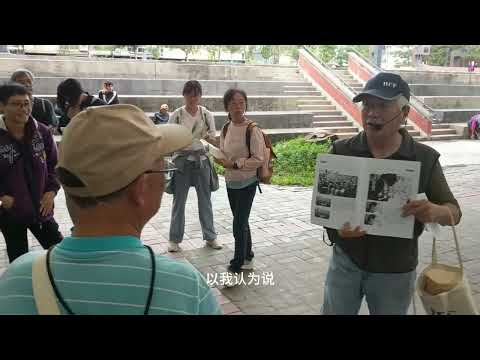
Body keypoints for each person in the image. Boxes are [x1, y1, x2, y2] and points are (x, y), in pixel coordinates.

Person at [0, 104, 222, 315]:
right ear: (140, 188)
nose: (165, 176)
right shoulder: (186, 288)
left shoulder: (17, 280)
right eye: (162, 168)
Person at [321, 72, 462, 315]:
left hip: (395, 271)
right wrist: (336, 230)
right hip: (346, 262)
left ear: (404, 114)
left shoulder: (424, 158)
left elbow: (454, 213)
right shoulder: (341, 151)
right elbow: (325, 207)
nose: (372, 112)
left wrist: (435, 211)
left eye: (383, 105)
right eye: (367, 105)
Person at [0, 83, 63, 263]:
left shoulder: (41, 131)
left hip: (42, 210)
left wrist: (51, 191)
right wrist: (3, 197)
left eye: (27, 103)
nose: (24, 109)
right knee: (19, 261)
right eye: (17, 104)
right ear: (2, 106)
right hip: (11, 213)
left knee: (58, 254)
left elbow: (54, 165)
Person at [167, 80, 221, 252]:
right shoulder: (176, 115)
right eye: (189, 94)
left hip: (202, 161)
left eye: (196, 94)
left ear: (200, 95)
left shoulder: (206, 115)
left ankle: (211, 237)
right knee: (179, 201)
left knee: (205, 201)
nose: (193, 97)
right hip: (182, 162)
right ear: (184, 95)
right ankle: (174, 239)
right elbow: (169, 138)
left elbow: (213, 138)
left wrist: (210, 138)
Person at [215, 89, 264, 275]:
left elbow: (258, 158)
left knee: (238, 222)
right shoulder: (226, 128)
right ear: (227, 106)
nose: (238, 107)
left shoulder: (253, 129)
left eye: (241, 102)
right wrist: (218, 157)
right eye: (234, 103)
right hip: (231, 181)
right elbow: (223, 151)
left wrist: (236, 164)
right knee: (241, 220)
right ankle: (248, 254)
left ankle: (237, 263)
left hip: (248, 182)